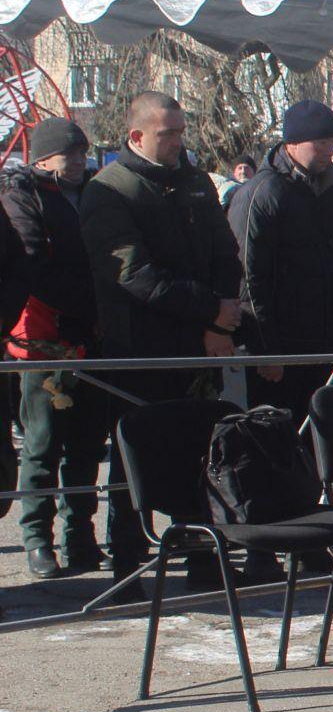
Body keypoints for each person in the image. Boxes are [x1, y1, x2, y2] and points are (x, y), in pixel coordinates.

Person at [80, 91, 244, 578]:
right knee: (135, 452)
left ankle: (200, 553)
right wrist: (208, 309)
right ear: (137, 136)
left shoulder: (194, 182)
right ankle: (128, 559)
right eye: (167, 134)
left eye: (180, 132)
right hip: (139, 345)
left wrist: (218, 320)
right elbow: (132, 274)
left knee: (198, 448)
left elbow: (225, 254)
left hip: (197, 341)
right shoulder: (110, 189)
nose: (178, 142)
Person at [4, 118, 102, 578]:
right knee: (42, 443)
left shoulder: (95, 193)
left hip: (92, 335)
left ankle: (80, 535)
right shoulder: (23, 195)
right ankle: (38, 539)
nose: (79, 160)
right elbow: (31, 266)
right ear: (43, 159)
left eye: (83, 152)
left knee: (87, 444)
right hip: (44, 338)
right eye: (70, 153)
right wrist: (87, 303)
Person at [228, 99, 333, 421]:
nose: (329, 151)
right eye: (321, 143)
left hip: (323, 339)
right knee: (276, 432)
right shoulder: (263, 193)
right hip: (281, 344)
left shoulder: (332, 188)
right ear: (293, 143)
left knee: (323, 433)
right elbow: (248, 277)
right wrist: (265, 350)